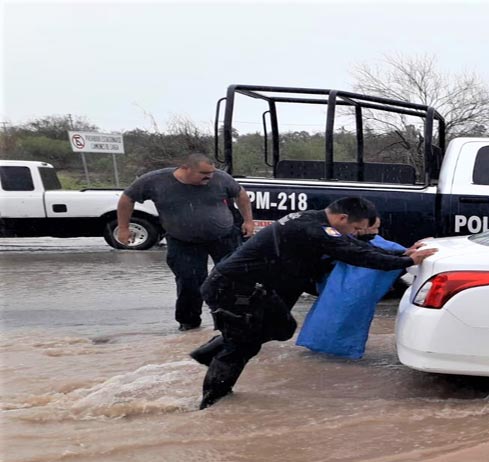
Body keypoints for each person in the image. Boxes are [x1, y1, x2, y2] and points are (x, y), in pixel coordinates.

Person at [190, 197, 436, 410]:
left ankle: (207, 354)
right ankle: (212, 404)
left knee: (282, 328)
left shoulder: (315, 220)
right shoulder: (316, 230)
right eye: (356, 228)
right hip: (231, 288)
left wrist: (402, 254)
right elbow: (356, 254)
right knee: (241, 346)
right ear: (342, 218)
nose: (355, 233)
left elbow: (354, 246)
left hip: (250, 288)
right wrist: (404, 262)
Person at [118, 153, 256, 331]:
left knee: (232, 279)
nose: (209, 176)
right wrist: (123, 228)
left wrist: (248, 221)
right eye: (203, 173)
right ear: (185, 168)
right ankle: (189, 325)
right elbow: (127, 198)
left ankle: (232, 322)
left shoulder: (221, 178)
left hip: (224, 236)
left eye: (211, 172)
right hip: (183, 240)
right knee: (189, 282)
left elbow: (241, 195)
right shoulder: (155, 181)